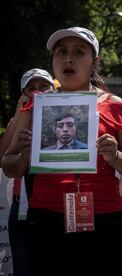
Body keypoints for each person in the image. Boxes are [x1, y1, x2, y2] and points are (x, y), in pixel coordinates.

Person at [2, 27, 122, 276]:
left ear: (94, 62)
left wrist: (115, 157)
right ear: (53, 60)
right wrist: (26, 156)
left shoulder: (116, 106)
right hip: (46, 219)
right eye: (61, 52)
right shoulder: (37, 105)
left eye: (78, 52)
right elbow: (8, 163)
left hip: (103, 218)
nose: (68, 58)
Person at [0, 68, 54, 276]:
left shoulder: (63, 121)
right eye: (31, 88)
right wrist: (17, 114)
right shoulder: (18, 120)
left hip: (53, 207)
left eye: (43, 87)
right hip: (21, 208)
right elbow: (3, 157)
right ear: (23, 94)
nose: (37, 92)